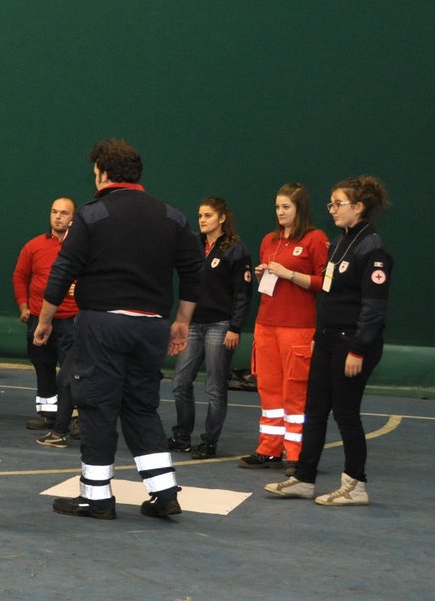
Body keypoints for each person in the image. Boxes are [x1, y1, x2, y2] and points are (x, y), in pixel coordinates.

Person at [34, 138, 202, 521]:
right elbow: (193, 273)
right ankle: (164, 492)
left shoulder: (92, 215)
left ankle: (96, 497)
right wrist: (182, 321)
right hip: (151, 328)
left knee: (96, 405)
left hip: (103, 325)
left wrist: (45, 319)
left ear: (103, 174)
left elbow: (63, 271)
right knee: (141, 407)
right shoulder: (172, 216)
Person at [266, 177, 394, 506]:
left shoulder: (373, 249)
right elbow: (327, 295)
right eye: (331, 204)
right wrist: (317, 335)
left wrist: (358, 349)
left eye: (339, 204)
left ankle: (356, 484)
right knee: (315, 410)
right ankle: (304, 478)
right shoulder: (338, 243)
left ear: (359, 207)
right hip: (325, 340)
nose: (333, 210)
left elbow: (374, 308)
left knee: (346, 413)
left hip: (351, 343)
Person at [238, 183, 329, 471]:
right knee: (269, 389)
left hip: (298, 327)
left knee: (295, 390)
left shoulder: (315, 239)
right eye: (277, 207)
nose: (280, 212)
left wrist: (289, 274)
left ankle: (297, 453)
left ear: (299, 209)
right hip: (266, 324)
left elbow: (324, 283)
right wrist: (264, 272)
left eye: (286, 207)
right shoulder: (270, 240)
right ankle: (269, 448)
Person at [167, 197, 252, 459]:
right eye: (200, 215)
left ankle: (209, 441)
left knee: (215, 387)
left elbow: (243, 293)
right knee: (180, 381)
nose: (202, 220)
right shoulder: (195, 245)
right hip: (194, 324)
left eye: (208, 215)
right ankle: (182, 436)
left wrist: (235, 327)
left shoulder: (236, 250)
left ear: (222, 218)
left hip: (220, 325)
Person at [14, 197, 80, 444]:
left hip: (70, 320)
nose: (58, 217)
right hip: (37, 318)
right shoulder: (33, 246)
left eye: (64, 213)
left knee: (71, 373)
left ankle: (74, 417)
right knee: (42, 365)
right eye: (54, 212)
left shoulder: (79, 248)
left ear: (72, 218)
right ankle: (48, 414)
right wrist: (23, 305)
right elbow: (20, 276)